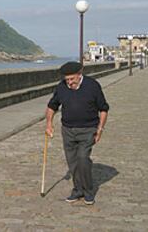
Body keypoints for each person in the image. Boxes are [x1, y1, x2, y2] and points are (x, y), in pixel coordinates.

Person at [45, 61, 109, 205]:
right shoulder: (61, 87)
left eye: (72, 79)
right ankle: (77, 190)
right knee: (73, 162)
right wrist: (49, 123)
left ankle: (88, 191)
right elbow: (51, 106)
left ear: (80, 75)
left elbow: (103, 109)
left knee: (82, 158)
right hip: (68, 130)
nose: (69, 82)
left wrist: (100, 129)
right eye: (67, 79)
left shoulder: (92, 86)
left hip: (88, 129)